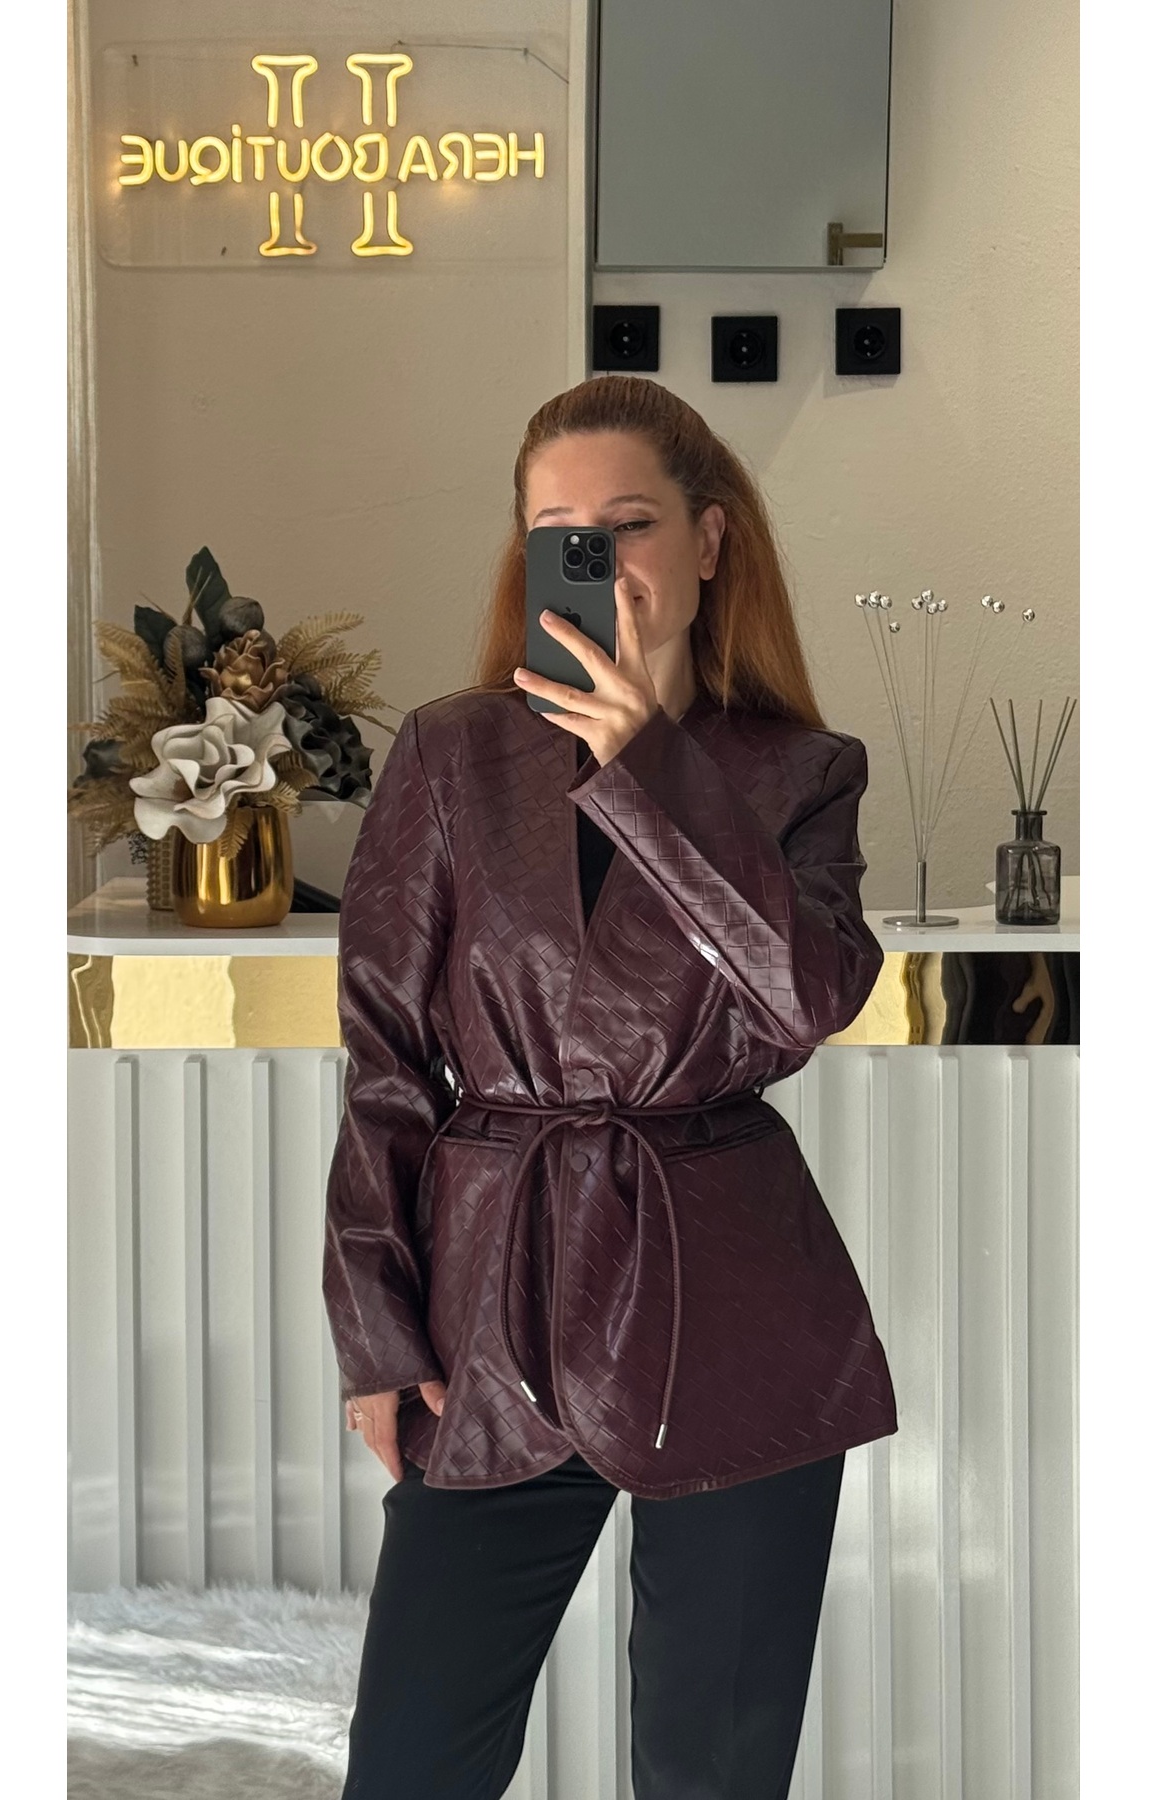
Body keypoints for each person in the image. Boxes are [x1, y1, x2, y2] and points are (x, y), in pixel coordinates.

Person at [325, 374, 897, 1798]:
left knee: (713, 1772)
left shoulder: (800, 773)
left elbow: (806, 997)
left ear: (711, 539)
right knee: (411, 1763)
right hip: (490, 1302)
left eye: (628, 523)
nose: (598, 558)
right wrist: (374, 1325)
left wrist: (644, 756)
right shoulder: (450, 756)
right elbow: (386, 1056)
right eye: (558, 533)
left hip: (732, 1298)